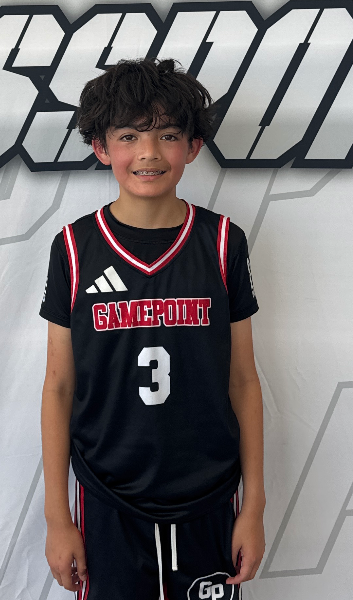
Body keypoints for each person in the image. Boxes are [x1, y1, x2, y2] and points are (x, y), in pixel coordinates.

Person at [39, 57, 265, 600]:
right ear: (100, 147)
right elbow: (59, 386)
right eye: (129, 136)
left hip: (210, 494)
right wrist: (56, 517)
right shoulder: (74, 247)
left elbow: (243, 381)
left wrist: (254, 506)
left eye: (167, 135)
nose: (148, 153)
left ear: (193, 146)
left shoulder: (222, 242)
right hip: (106, 495)